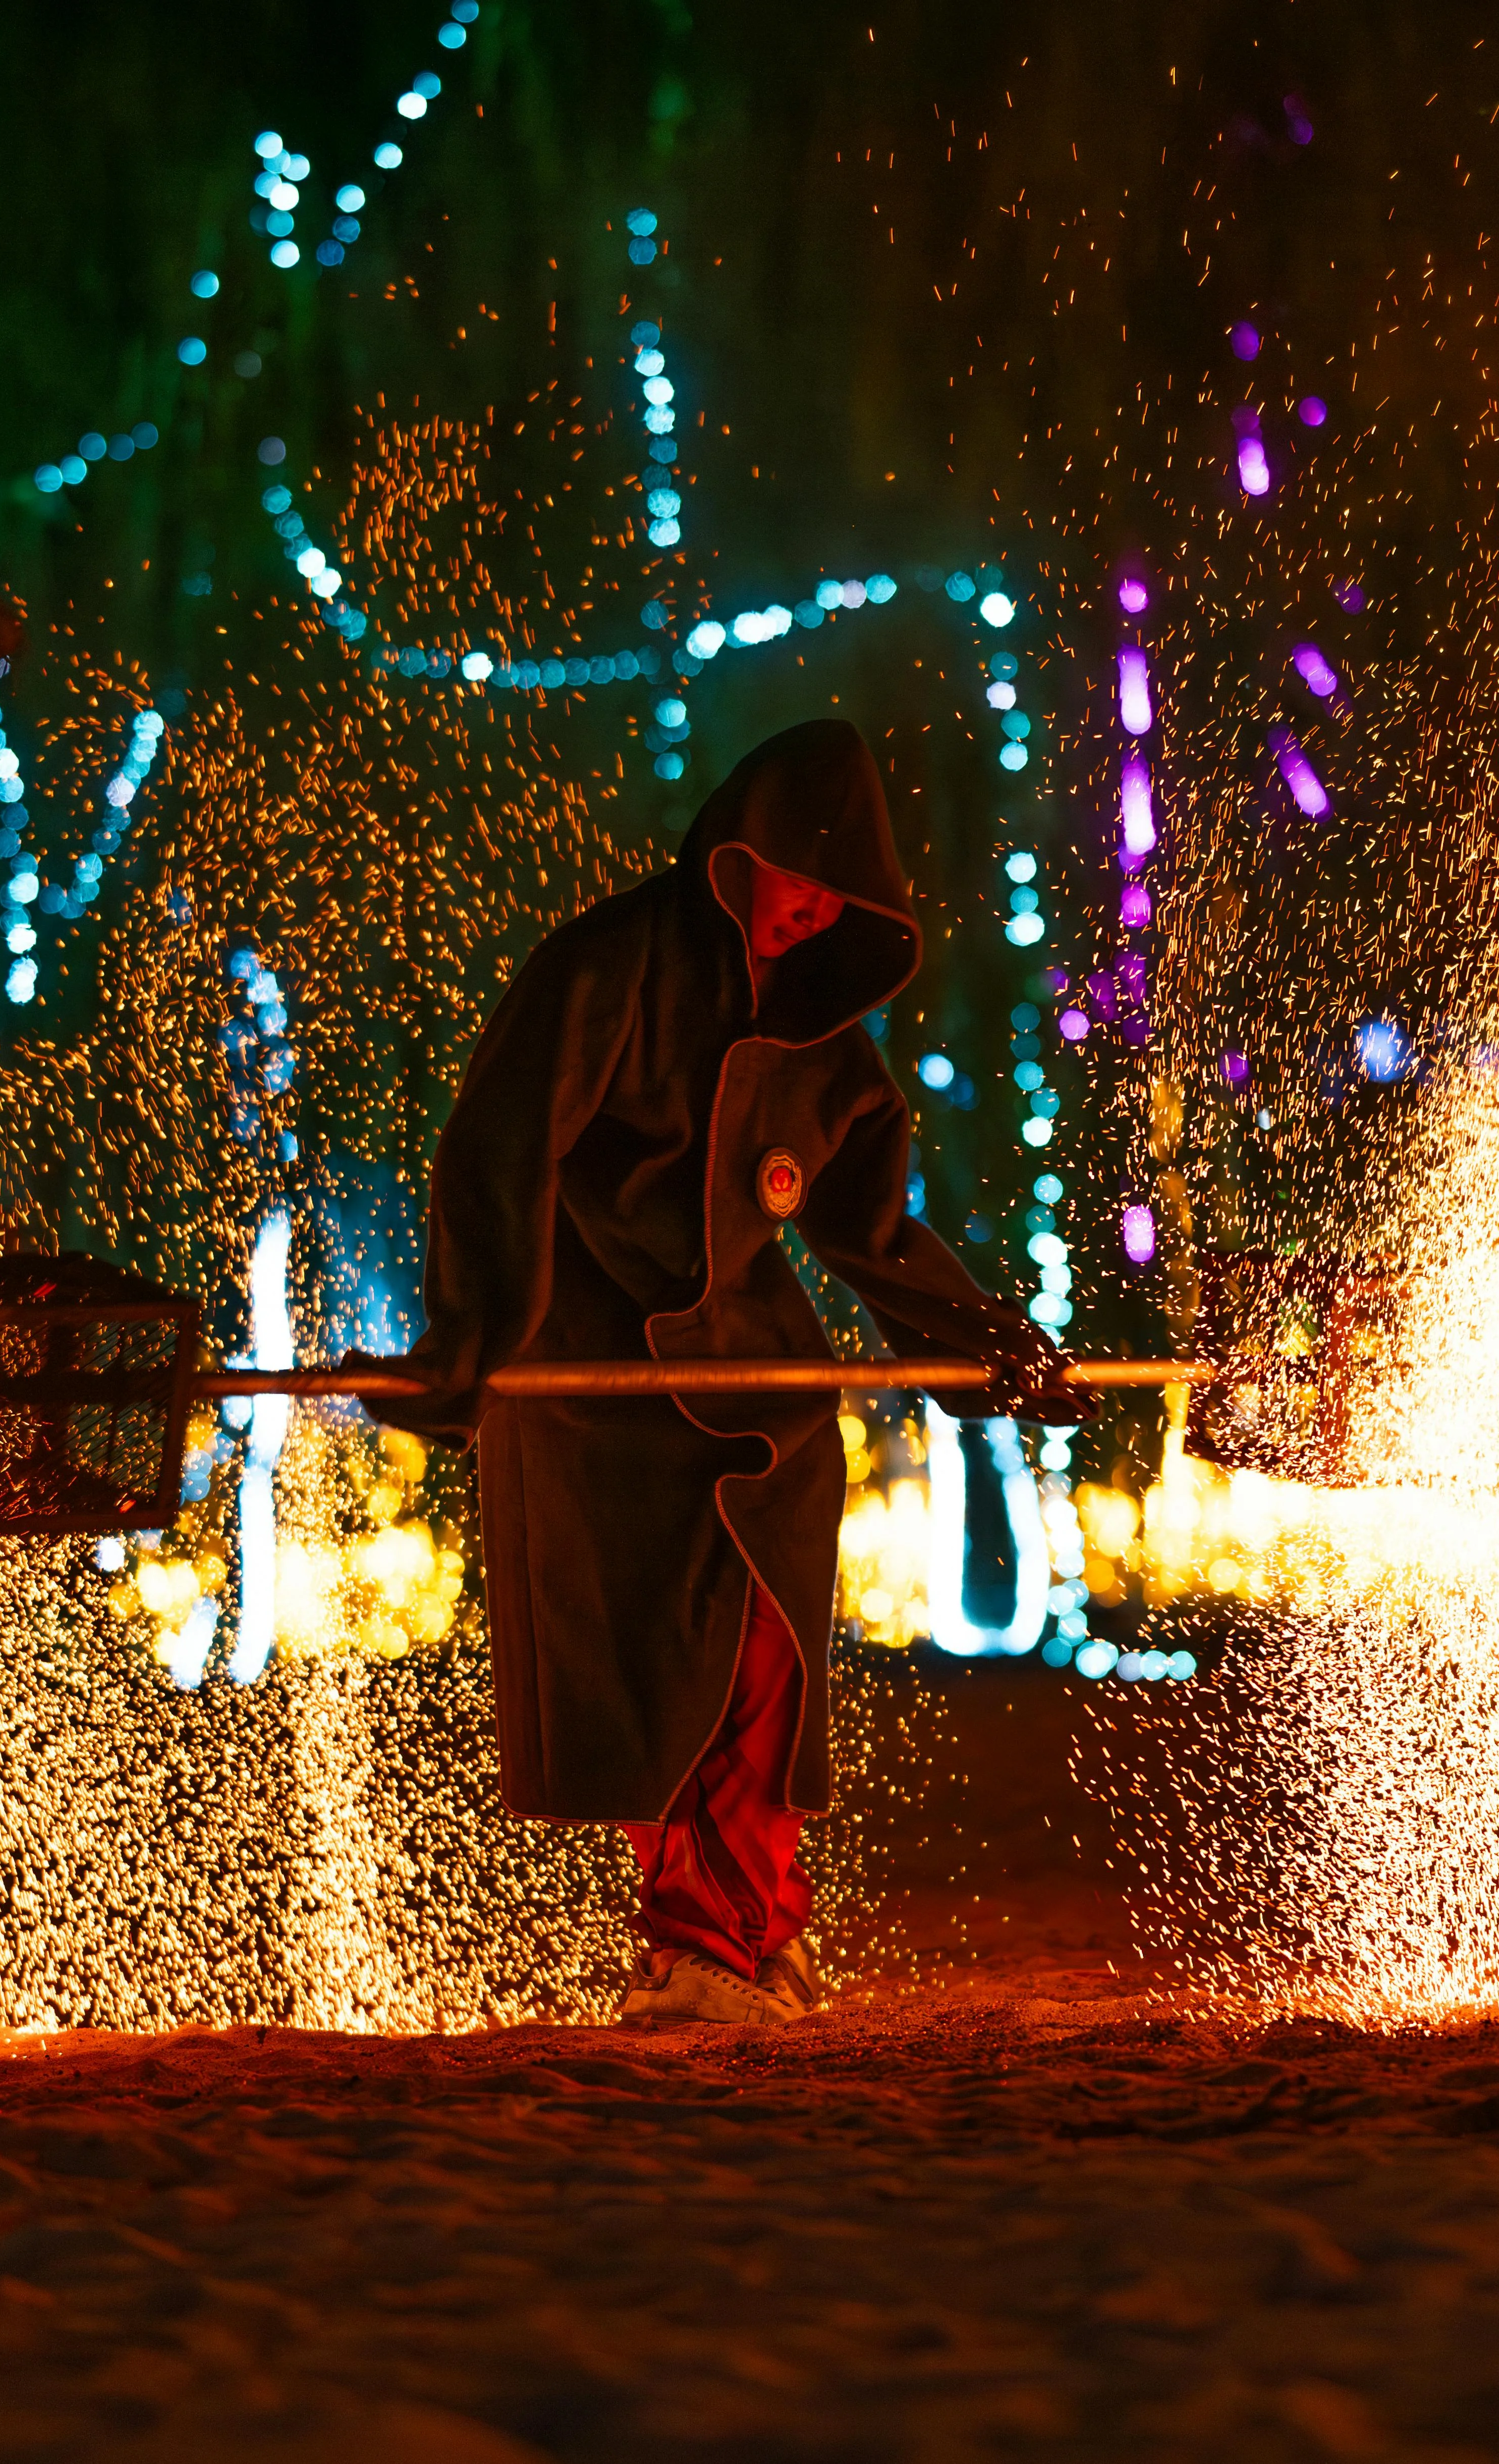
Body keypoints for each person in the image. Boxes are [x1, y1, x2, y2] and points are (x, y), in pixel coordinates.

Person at [361, 720, 1079, 2027]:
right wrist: (466, 1343)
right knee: (651, 1679)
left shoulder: (828, 1047)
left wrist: (986, 1346)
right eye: (794, 877)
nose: (807, 911)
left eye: (837, 895)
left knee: (766, 1667)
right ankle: (713, 1942)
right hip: (590, 1389)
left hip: (765, 1388)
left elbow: (871, 1235)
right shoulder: (606, 968)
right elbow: (496, 1154)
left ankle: (741, 1936)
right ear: (734, 851)